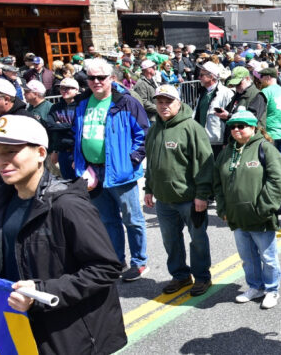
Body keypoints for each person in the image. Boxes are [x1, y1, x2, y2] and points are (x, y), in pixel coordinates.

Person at [0, 114, 127, 354]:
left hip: (70, 335)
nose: (0, 161)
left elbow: (106, 268)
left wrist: (41, 293)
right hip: (20, 330)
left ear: (40, 153)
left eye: (10, 152)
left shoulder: (67, 205)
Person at [72, 58, 150, 281]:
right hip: (92, 172)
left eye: (101, 77)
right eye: (91, 78)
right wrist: (79, 161)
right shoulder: (82, 103)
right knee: (107, 221)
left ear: (111, 79)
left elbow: (143, 133)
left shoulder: (126, 102)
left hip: (121, 171)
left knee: (132, 219)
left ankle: (139, 262)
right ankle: (117, 260)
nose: (96, 82)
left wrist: (132, 159)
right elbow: (77, 134)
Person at [144, 85, 214, 296]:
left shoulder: (192, 128)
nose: (163, 106)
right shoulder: (154, 128)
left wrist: (202, 195)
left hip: (189, 199)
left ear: (179, 103)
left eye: (168, 102)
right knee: (171, 241)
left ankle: (202, 277)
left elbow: (205, 164)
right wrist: (148, 188)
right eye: (160, 102)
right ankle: (180, 276)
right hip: (164, 199)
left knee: (198, 240)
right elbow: (152, 163)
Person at [213, 110, 281, 309]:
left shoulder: (265, 148)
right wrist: (222, 209)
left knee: (268, 257)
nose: (236, 130)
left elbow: (277, 179)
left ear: (253, 127)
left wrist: (264, 207)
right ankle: (255, 287)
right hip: (236, 216)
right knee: (248, 258)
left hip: (261, 216)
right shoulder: (227, 151)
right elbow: (217, 183)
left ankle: (272, 290)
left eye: (241, 126)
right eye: (233, 126)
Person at [194, 61, 234, 159]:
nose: (199, 77)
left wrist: (226, 141)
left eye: (202, 75)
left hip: (218, 141)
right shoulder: (203, 92)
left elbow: (231, 119)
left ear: (211, 76)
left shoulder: (226, 93)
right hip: (202, 139)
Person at [258, 67, 281, 168]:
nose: (260, 79)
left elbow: (260, 113)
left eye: (262, 77)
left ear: (268, 77)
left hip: (269, 133)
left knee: (269, 160)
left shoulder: (265, 92)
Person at [45, 77, 79, 180]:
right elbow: (50, 126)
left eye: (68, 88)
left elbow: (77, 126)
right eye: (62, 88)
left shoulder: (81, 106)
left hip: (77, 151)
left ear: (76, 90)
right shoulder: (56, 107)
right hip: (62, 151)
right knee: (67, 182)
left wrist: (60, 125)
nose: (64, 91)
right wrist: (55, 150)